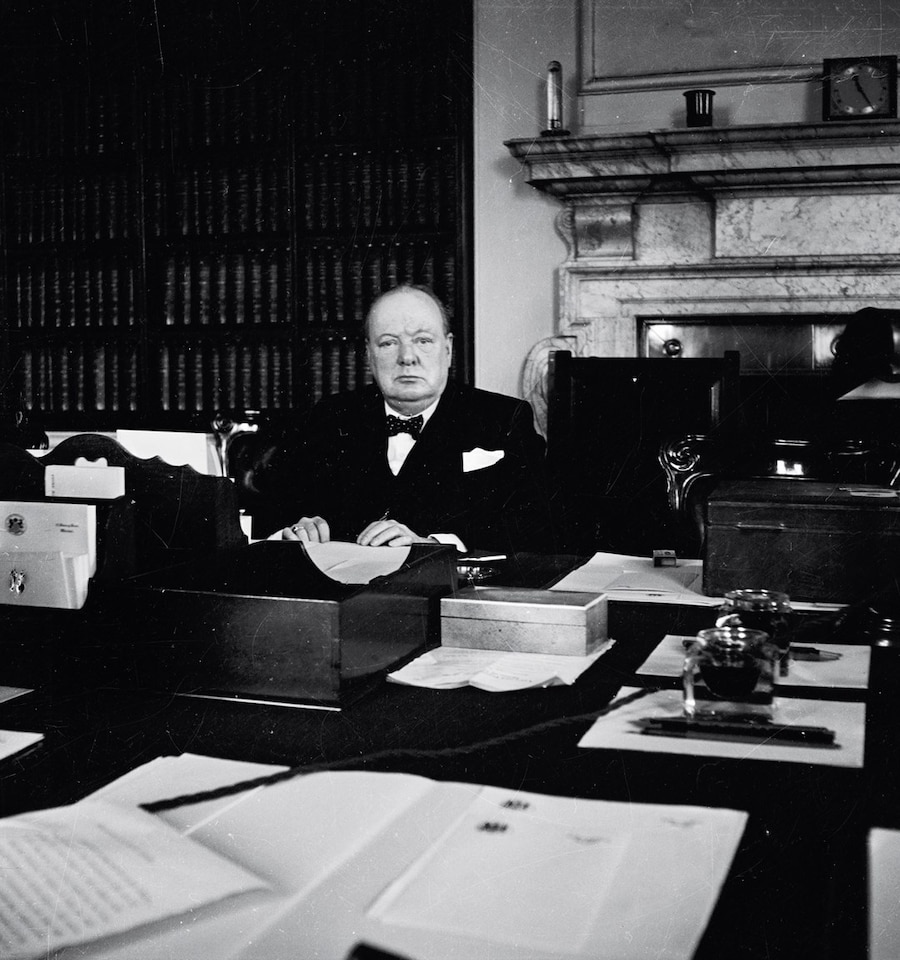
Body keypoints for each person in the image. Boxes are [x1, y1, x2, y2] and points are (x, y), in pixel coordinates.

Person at [259, 284, 555, 553]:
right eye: (388, 343)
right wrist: (296, 528)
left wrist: (433, 546)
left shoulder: (504, 418)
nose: (407, 357)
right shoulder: (328, 416)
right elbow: (273, 512)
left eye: (423, 340)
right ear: (369, 355)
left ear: (448, 349)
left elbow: (537, 528)